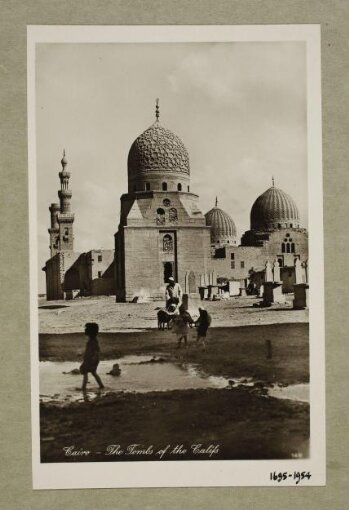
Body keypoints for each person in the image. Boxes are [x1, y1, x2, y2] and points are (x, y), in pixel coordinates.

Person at [79, 322, 104, 391]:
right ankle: (101, 385)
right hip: (92, 359)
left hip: (90, 359)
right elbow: (95, 351)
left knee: (85, 372)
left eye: (86, 329)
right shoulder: (93, 340)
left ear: (90, 332)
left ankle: (83, 388)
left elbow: (96, 351)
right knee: (93, 373)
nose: (85, 330)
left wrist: (92, 358)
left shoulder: (92, 341)